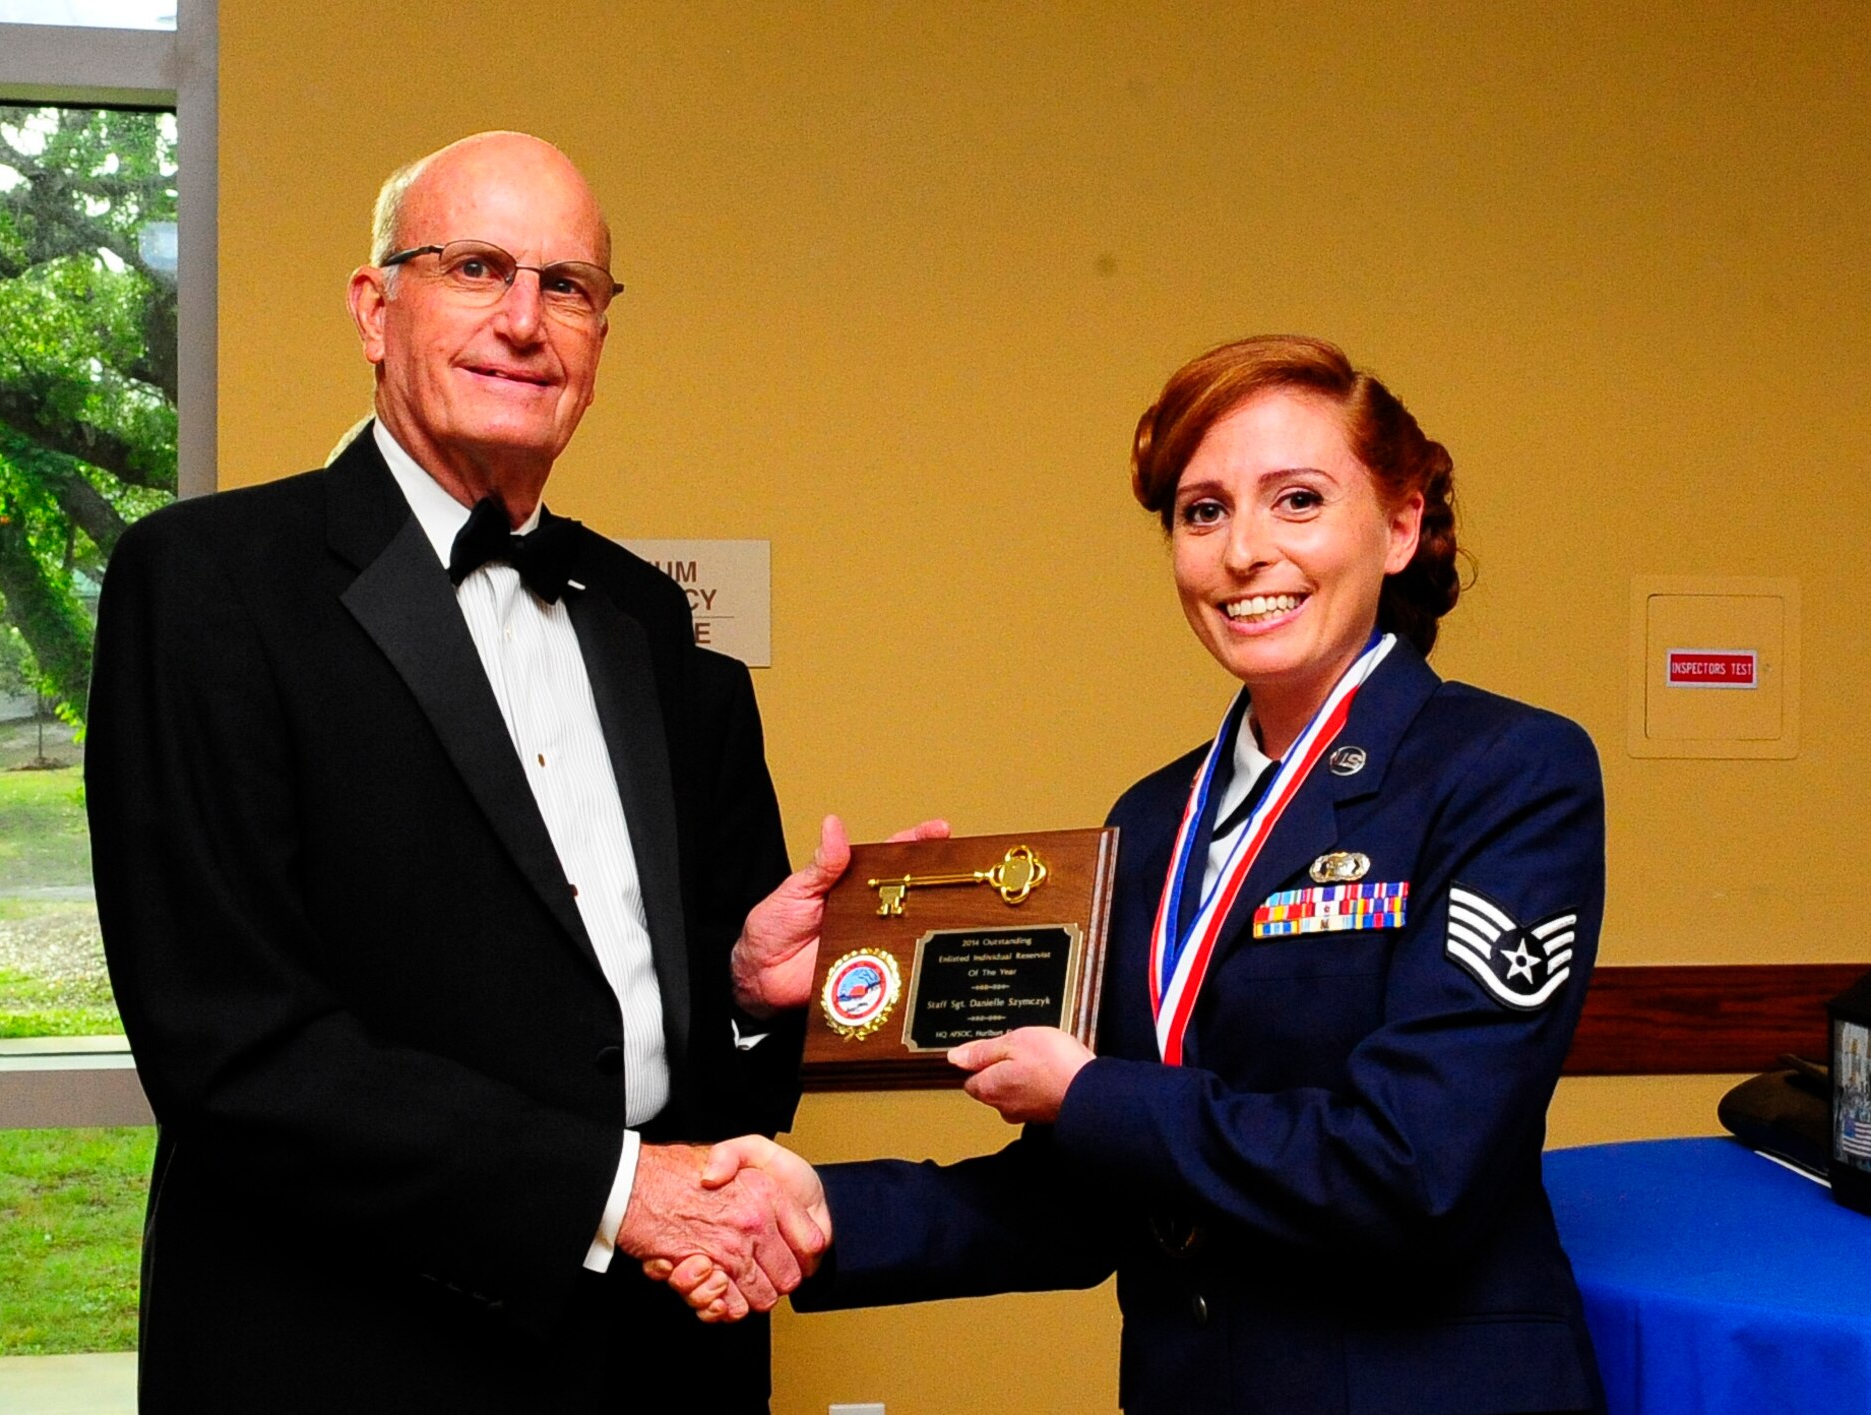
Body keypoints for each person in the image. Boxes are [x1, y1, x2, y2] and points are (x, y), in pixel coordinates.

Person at [86, 131, 913, 1413]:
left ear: (598, 337)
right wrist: (610, 1190)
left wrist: (748, 993)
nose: (525, 321)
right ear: (376, 306)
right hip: (350, 1352)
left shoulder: (651, 619)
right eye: (476, 267)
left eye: (567, 285)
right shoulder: (203, 585)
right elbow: (232, 1049)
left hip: (658, 1353)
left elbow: (706, 1065)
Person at [660, 335, 1608, 1415]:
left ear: (1396, 526)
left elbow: (1413, 1167)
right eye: (1201, 511)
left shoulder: (1504, 769)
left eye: (1295, 500)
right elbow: (1086, 1194)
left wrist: (1088, 1090)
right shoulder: (1154, 817)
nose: (1243, 551)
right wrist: (820, 1210)